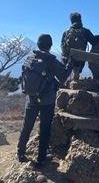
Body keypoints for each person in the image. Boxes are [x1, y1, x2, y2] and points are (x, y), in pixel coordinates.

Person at [16, 34, 74, 167]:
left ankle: (20, 153)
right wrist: (70, 64)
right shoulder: (51, 60)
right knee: (45, 128)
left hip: (31, 99)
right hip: (47, 100)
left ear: (38, 44)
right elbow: (63, 77)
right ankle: (41, 158)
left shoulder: (29, 59)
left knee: (27, 126)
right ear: (50, 45)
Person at [61, 12, 99, 81]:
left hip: (68, 58)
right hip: (80, 58)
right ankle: (77, 70)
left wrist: (64, 56)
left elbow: (62, 45)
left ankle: (67, 77)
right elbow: (94, 42)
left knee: (68, 57)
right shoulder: (85, 31)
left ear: (71, 21)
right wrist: (98, 37)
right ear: (80, 20)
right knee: (81, 56)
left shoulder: (66, 32)